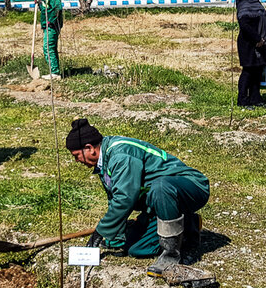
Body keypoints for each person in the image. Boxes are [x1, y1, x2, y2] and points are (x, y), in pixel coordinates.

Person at [67, 118, 209, 277]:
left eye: (77, 156)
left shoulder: (121, 155)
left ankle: (170, 256)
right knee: (137, 249)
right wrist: (115, 235)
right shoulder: (104, 161)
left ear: (89, 148)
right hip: (159, 202)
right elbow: (115, 198)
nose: (77, 161)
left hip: (190, 187)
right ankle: (189, 224)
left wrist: (101, 231)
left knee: (161, 186)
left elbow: (125, 198)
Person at [234, 0, 266, 107]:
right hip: (249, 44)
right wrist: (257, 39)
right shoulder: (245, 6)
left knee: (258, 72)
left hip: (261, 43)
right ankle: (242, 100)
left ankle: (255, 99)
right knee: (248, 72)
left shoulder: (255, 3)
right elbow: (245, 25)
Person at [38, 0, 63, 80]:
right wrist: (39, 4)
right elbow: (45, 8)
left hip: (51, 27)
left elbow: (58, 8)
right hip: (48, 27)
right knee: (50, 48)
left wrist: (50, 21)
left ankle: (55, 73)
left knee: (48, 48)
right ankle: (54, 71)